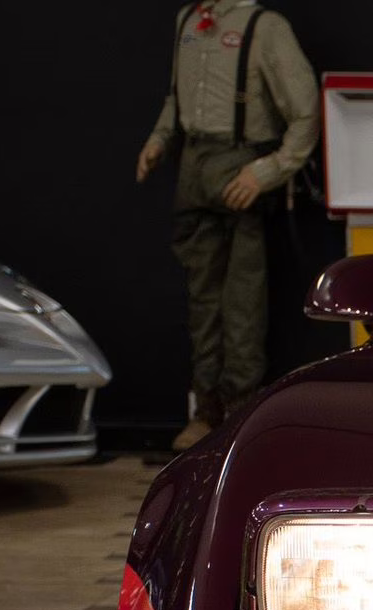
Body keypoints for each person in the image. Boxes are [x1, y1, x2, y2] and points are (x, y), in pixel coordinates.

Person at [136, 2, 319, 448]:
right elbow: (175, 98)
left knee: (242, 301)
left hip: (239, 167)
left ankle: (239, 407)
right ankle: (206, 408)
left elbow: (306, 112)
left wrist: (267, 171)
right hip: (194, 170)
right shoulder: (188, 19)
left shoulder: (265, 27)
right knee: (201, 297)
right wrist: (160, 139)